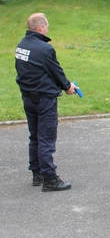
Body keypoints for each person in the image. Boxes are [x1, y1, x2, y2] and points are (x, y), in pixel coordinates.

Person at [15, 13, 77, 192]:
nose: (48, 30)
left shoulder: (21, 46)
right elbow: (56, 71)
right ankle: (50, 178)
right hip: (44, 99)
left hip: (28, 97)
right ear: (40, 28)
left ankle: (37, 173)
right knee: (46, 139)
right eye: (47, 27)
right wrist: (67, 86)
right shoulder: (44, 49)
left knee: (34, 136)